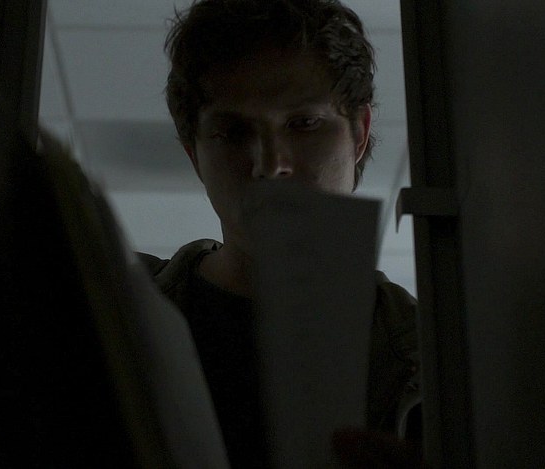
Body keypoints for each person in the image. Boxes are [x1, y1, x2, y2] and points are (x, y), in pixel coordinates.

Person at [138, 0, 422, 467]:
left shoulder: (433, 354)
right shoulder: (116, 311)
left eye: (303, 124)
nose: (270, 165)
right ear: (194, 155)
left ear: (359, 133)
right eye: (233, 132)